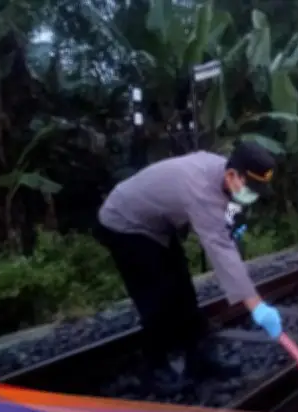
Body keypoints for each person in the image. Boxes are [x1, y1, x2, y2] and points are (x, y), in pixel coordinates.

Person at [94, 142, 284, 392]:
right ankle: (153, 369)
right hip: (123, 223)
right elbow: (222, 252)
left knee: (183, 290)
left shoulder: (224, 175)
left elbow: (227, 222)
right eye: (251, 188)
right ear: (232, 175)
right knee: (158, 296)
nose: (253, 195)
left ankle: (200, 360)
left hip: (156, 226)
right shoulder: (201, 190)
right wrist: (257, 306)